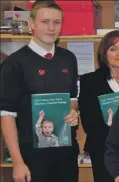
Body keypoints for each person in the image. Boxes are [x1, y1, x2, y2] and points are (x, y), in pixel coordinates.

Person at [0, 2, 79, 182]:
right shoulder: (14, 63)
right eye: (45, 21)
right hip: (32, 157)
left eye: (57, 22)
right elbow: (6, 115)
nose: (51, 28)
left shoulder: (69, 58)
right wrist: (18, 162)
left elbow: (72, 98)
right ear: (31, 24)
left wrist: (74, 113)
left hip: (66, 152)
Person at [78, 30, 119, 182]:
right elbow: (89, 124)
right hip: (105, 153)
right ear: (104, 53)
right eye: (113, 49)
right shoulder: (90, 81)